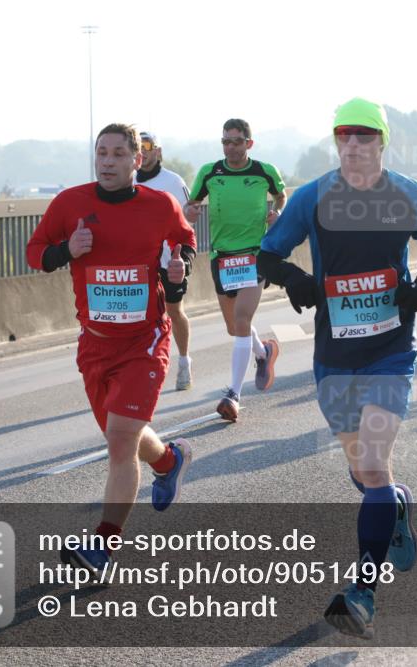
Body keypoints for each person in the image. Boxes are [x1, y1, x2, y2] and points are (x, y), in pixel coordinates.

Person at [258, 97, 417, 639]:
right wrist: (293, 279)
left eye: (364, 136)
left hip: (392, 351)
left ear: (381, 143)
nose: (353, 145)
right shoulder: (313, 197)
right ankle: (397, 505)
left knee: (371, 461)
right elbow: (266, 255)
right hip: (333, 358)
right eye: (344, 136)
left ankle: (362, 591)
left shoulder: (411, 195)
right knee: (367, 475)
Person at [26, 122, 196, 573]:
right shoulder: (70, 204)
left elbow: (184, 242)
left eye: (119, 153)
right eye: (101, 152)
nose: (107, 161)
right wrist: (67, 249)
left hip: (145, 341)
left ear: (136, 160)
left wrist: (179, 272)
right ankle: (169, 460)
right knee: (125, 436)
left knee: (120, 442)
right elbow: (35, 253)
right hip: (95, 345)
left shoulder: (158, 205)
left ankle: (102, 547)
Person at [185, 119, 286, 422]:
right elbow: (192, 204)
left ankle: (234, 395)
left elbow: (281, 195)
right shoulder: (209, 172)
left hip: (255, 254)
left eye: (237, 141)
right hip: (221, 257)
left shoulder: (263, 171)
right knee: (234, 327)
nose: (230, 147)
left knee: (242, 318)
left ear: (249, 144)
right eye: (226, 142)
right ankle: (263, 351)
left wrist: (277, 212)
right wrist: (189, 211)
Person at [137, 131, 195, 390]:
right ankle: (145, 370)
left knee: (173, 310)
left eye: (147, 145)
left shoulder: (172, 181)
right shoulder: (125, 181)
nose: (143, 150)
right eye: (138, 146)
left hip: (168, 261)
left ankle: (184, 361)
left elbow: (187, 222)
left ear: (158, 151)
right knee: (142, 317)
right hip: (138, 264)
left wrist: (181, 258)